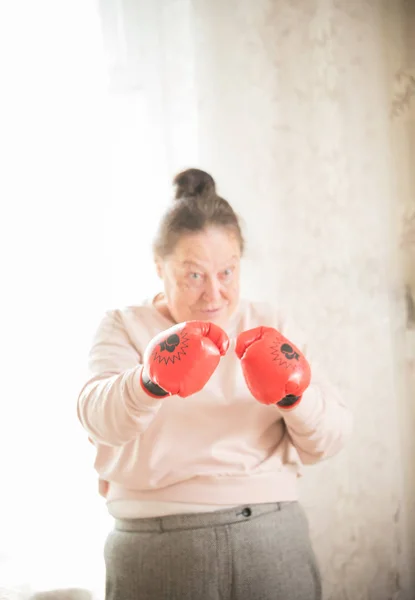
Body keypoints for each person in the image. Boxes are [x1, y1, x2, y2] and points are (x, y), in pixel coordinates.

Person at [77, 168, 352, 600]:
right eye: (194, 275)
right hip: (157, 544)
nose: (214, 295)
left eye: (227, 272)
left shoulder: (270, 324)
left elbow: (329, 441)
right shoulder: (124, 325)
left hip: (270, 536)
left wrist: (294, 394)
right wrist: (149, 381)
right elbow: (98, 420)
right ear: (158, 267)